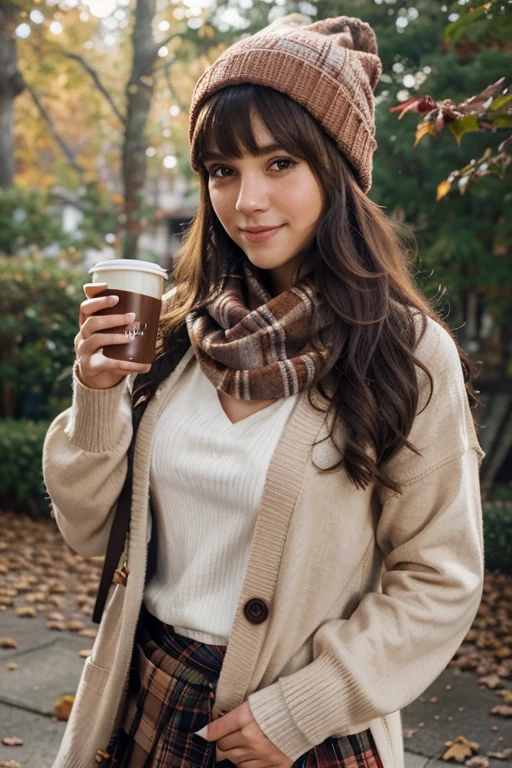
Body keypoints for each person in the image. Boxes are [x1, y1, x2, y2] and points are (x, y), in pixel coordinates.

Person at [42, 13, 485, 768]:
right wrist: (96, 393)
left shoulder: (406, 355)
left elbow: (440, 577)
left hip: (299, 733)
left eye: (279, 163)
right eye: (222, 169)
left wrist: (308, 704)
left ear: (337, 170)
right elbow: (88, 532)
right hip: (145, 698)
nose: (246, 199)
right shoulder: (180, 337)